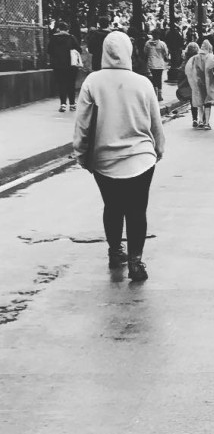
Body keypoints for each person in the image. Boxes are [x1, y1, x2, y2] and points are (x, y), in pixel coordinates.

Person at [72, 31, 165, 282]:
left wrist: (81, 154)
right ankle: (136, 261)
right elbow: (155, 122)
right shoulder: (143, 83)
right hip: (141, 157)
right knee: (137, 209)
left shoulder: (93, 82)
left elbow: (82, 123)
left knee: (112, 207)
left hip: (104, 159)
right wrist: (159, 148)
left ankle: (115, 251)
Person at [185, 40, 214, 130]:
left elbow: (188, 69)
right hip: (208, 82)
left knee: (200, 102)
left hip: (198, 82)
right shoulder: (210, 57)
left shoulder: (195, 58)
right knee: (207, 103)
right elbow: (213, 66)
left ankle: (200, 120)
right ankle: (207, 123)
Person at [48, 21, 81, 113]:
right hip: (71, 65)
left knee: (61, 84)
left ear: (59, 29)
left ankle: (63, 104)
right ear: (67, 29)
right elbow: (79, 50)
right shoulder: (72, 38)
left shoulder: (53, 38)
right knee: (71, 84)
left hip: (58, 65)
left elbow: (49, 50)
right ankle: (72, 104)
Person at [176, 42, 201, 127]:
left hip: (189, 85)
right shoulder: (199, 59)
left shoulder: (186, 61)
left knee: (193, 102)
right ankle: (203, 119)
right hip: (198, 84)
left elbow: (181, 71)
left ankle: (194, 119)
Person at [144, 28, 170, 101]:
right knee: (159, 78)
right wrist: (166, 58)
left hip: (151, 63)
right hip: (160, 63)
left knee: (154, 79)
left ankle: (155, 94)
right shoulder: (162, 44)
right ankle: (160, 95)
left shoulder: (147, 43)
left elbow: (145, 53)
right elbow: (166, 53)